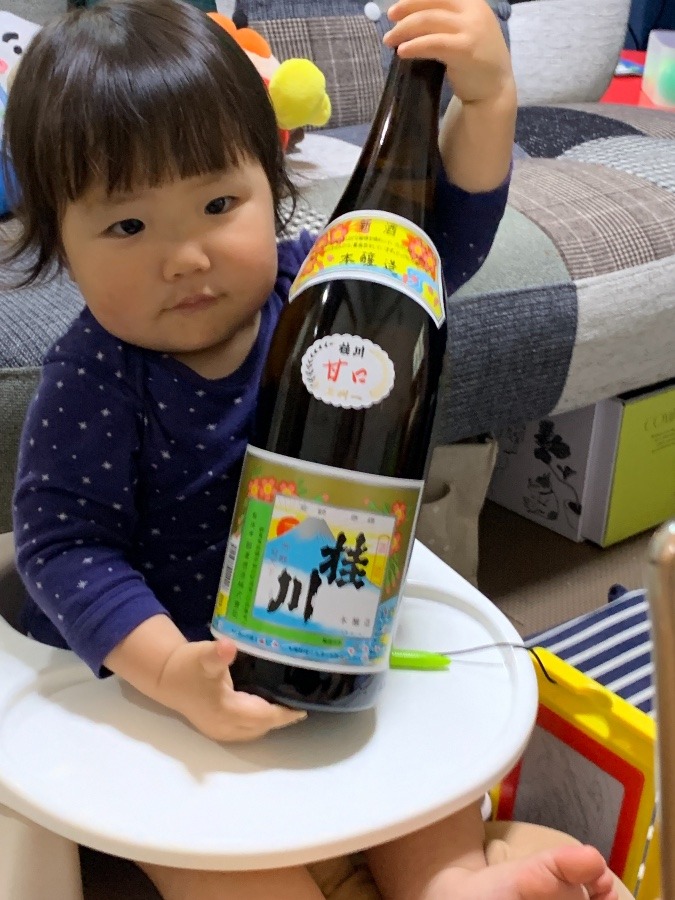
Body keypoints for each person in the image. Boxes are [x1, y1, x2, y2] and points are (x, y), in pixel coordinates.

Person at [4, 1, 620, 898]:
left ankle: (449, 879)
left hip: (323, 626)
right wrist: (170, 670)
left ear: (271, 179)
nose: (185, 256)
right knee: (212, 852)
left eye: (219, 204)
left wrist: (486, 99)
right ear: (57, 238)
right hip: (166, 671)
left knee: (423, 781)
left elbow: (435, 241)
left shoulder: (320, 281)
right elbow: (64, 547)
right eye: (127, 226)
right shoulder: (95, 379)